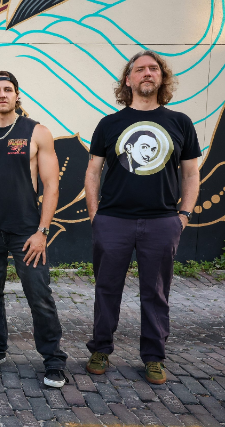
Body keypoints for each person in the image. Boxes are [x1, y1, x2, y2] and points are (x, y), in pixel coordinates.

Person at [84, 50, 201, 384]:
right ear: (128, 79)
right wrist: (95, 216)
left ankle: (153, 357)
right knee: (107, 289)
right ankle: (101, 349)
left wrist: (183, 215)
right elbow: (93, 171)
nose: (147, 73)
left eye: (154, 69)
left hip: (162, 221)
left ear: (162, 77)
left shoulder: (180, 122)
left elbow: (191, 174)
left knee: (156, 292)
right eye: (140, 69)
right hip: (113, 220)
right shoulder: (109, 124)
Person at [0, 71, 69, 388]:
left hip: (27, 231)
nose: (3, 94)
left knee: (39, 294)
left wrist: (42, 231)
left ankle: (53, 360)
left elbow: (51, 186)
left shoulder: (37, 132)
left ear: (16, 95)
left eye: (8, 89)